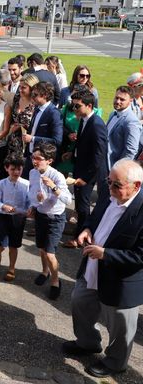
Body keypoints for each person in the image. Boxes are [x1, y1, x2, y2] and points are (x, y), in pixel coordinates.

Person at [62, 159, 143, 379]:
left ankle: (116, 363)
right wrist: (86, 229)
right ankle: (88, 343)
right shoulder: (110, 194)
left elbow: (140, 255)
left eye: (117, 185)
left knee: (120, 327)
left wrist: (106, 254)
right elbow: (94, 218)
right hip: (93, 268)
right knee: (80, 302)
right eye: (109, 182)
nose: (110, 188)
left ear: (136, 186)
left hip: (121, 280)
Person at [61, 89, 108, 248]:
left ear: (89, 106)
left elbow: (98, 157)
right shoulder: (84, 119)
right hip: (80, 167)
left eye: (77, 106)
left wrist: (85, 179)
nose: (74, 110)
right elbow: (83, 144)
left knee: (83, 206)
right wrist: (72, 154)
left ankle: (79, 238)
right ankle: (80, 232)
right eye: (73, 106)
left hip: (88, 174)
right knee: (81, 204)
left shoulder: (96, 124)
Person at [27, 142, 72, 300]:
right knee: (41, 248)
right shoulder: (33, 173)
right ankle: (45, 272)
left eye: (38, 158)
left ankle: (55, 281)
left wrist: (53, 187)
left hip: (55, 218)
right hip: (40, 215)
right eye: (33, 157)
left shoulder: (57, 176)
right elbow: (32, 191)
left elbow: (68, 200)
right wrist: (33, 205)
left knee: (50, 253)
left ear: (49, 161)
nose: (35, 161)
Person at [0, 154, 30, 282]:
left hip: (18, 219)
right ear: (6, 168)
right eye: (13, 169)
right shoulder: (1, 184)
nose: (16, 172)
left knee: (14, 245)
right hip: (4, 217)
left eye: (19, 169)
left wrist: (29, 211)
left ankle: (11, 268)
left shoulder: (26, 184)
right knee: (2, 243)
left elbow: (29, 202)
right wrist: (2, 206)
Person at [22, 82, 63, 178]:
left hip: (43, 161)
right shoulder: (37, 108)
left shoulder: (54, 113)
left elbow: (57, 140)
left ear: (44, 95)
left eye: (35, 95)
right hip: (30, 157)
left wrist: (33, 139)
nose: (32, 97)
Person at [7, 74, 39, 158]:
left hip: (28, 145)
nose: (20, 90)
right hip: (12, 143)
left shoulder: (36, 104)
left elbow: (38, 126)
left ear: (32, 88)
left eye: (23, 88)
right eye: (19, 87)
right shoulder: (17, 98)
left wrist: (21, 126)